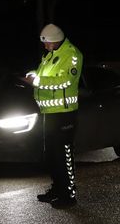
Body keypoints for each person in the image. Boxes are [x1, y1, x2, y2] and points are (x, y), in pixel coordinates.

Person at [24, 23, 83, 209]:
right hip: (49, 113)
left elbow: (65, 81)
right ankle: (57, 189)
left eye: (48, 43)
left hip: (64, 114)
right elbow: (44, 75)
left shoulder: (72, 54)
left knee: (63, 155)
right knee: (52, 155)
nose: (45, 46)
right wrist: (33, 74)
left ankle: (68, 195)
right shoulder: (50, 55)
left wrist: (38, 81)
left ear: (57, 40)